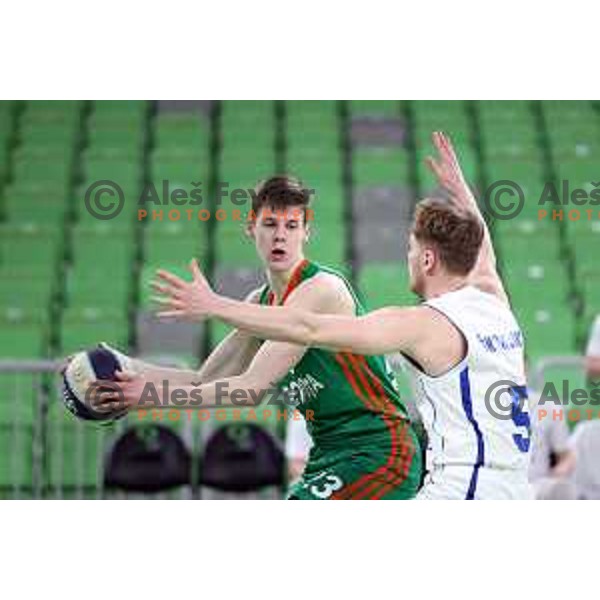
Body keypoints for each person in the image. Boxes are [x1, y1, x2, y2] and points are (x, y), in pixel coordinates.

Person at [154, 133, 532, 500]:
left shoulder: (423, 323)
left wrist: (215, 304)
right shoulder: (495, 305)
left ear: (428, 259)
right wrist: (462, 194)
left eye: (411, 250)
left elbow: (308, 326)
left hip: (462, 489)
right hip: (517, 486)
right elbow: (485, 257)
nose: (409, 257)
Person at [92, 175, 423, 500]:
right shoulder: (259, 302)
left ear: (306, 232)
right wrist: (121, 367)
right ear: (251, 228)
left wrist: (152, 395)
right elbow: (204, 378)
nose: (280, 236)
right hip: (328, 455)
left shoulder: (323, 288)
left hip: (381, 452)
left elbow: (250, 390)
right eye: (270, 224)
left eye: (291, 226)